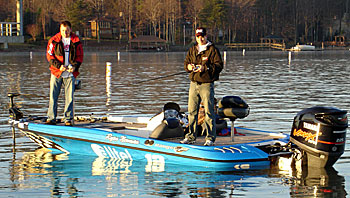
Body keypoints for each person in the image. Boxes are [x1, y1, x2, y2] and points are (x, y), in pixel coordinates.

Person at [181, 27, 223, 146]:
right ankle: (191, 137)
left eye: (202, 36)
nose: (201, 38)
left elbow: (219, 66)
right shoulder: (192, 50)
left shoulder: (213, 50)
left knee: (209, 112)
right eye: (198, 36)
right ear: (196, 37)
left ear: (206, 36)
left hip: (206, 84)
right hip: (194, 84)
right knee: (192, 112)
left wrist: (205, 68)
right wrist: (189, 67)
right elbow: (186, 64)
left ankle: (210, 138)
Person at [46, 21, 83, 126]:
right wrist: (59, 66)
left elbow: (80, 56)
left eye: (67, 31)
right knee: (53, 96)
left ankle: (68, 119)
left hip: (70, 74)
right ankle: (51, 117)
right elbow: (50, 56)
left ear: (70, 30)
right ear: (60, 30)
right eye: (63, 30)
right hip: (57, 72)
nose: (65, 33)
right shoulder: (53, 41)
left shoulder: (76, 41)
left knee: (69, 98)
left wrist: (75, 66)